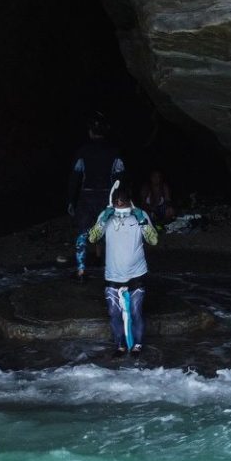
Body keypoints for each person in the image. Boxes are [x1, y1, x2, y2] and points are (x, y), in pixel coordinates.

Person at [87, 186, 159, 355]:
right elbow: (92, 238)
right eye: (116, 204)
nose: (119, 207)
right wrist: (103, 220)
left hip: (136, 274)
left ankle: (137, 345)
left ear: (129, 202)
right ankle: (120, 345)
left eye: (123, 204)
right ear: (112, 203)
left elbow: (154, 240)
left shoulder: (140, 214)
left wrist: (142, 221)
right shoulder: (106, 215)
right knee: (114, 312)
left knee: (135, 311)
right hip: (113, 275)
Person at [66, 117, 123, 279]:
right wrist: (120, 199)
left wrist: (70, 200)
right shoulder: (114, 152)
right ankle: (106, 266)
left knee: (83, 232)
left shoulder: (83, 151)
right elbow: (120, 176)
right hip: (107, 196)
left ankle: (81, 270)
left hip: (87, 195)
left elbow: (75, 177)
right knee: (107, 229)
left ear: (91, 132)